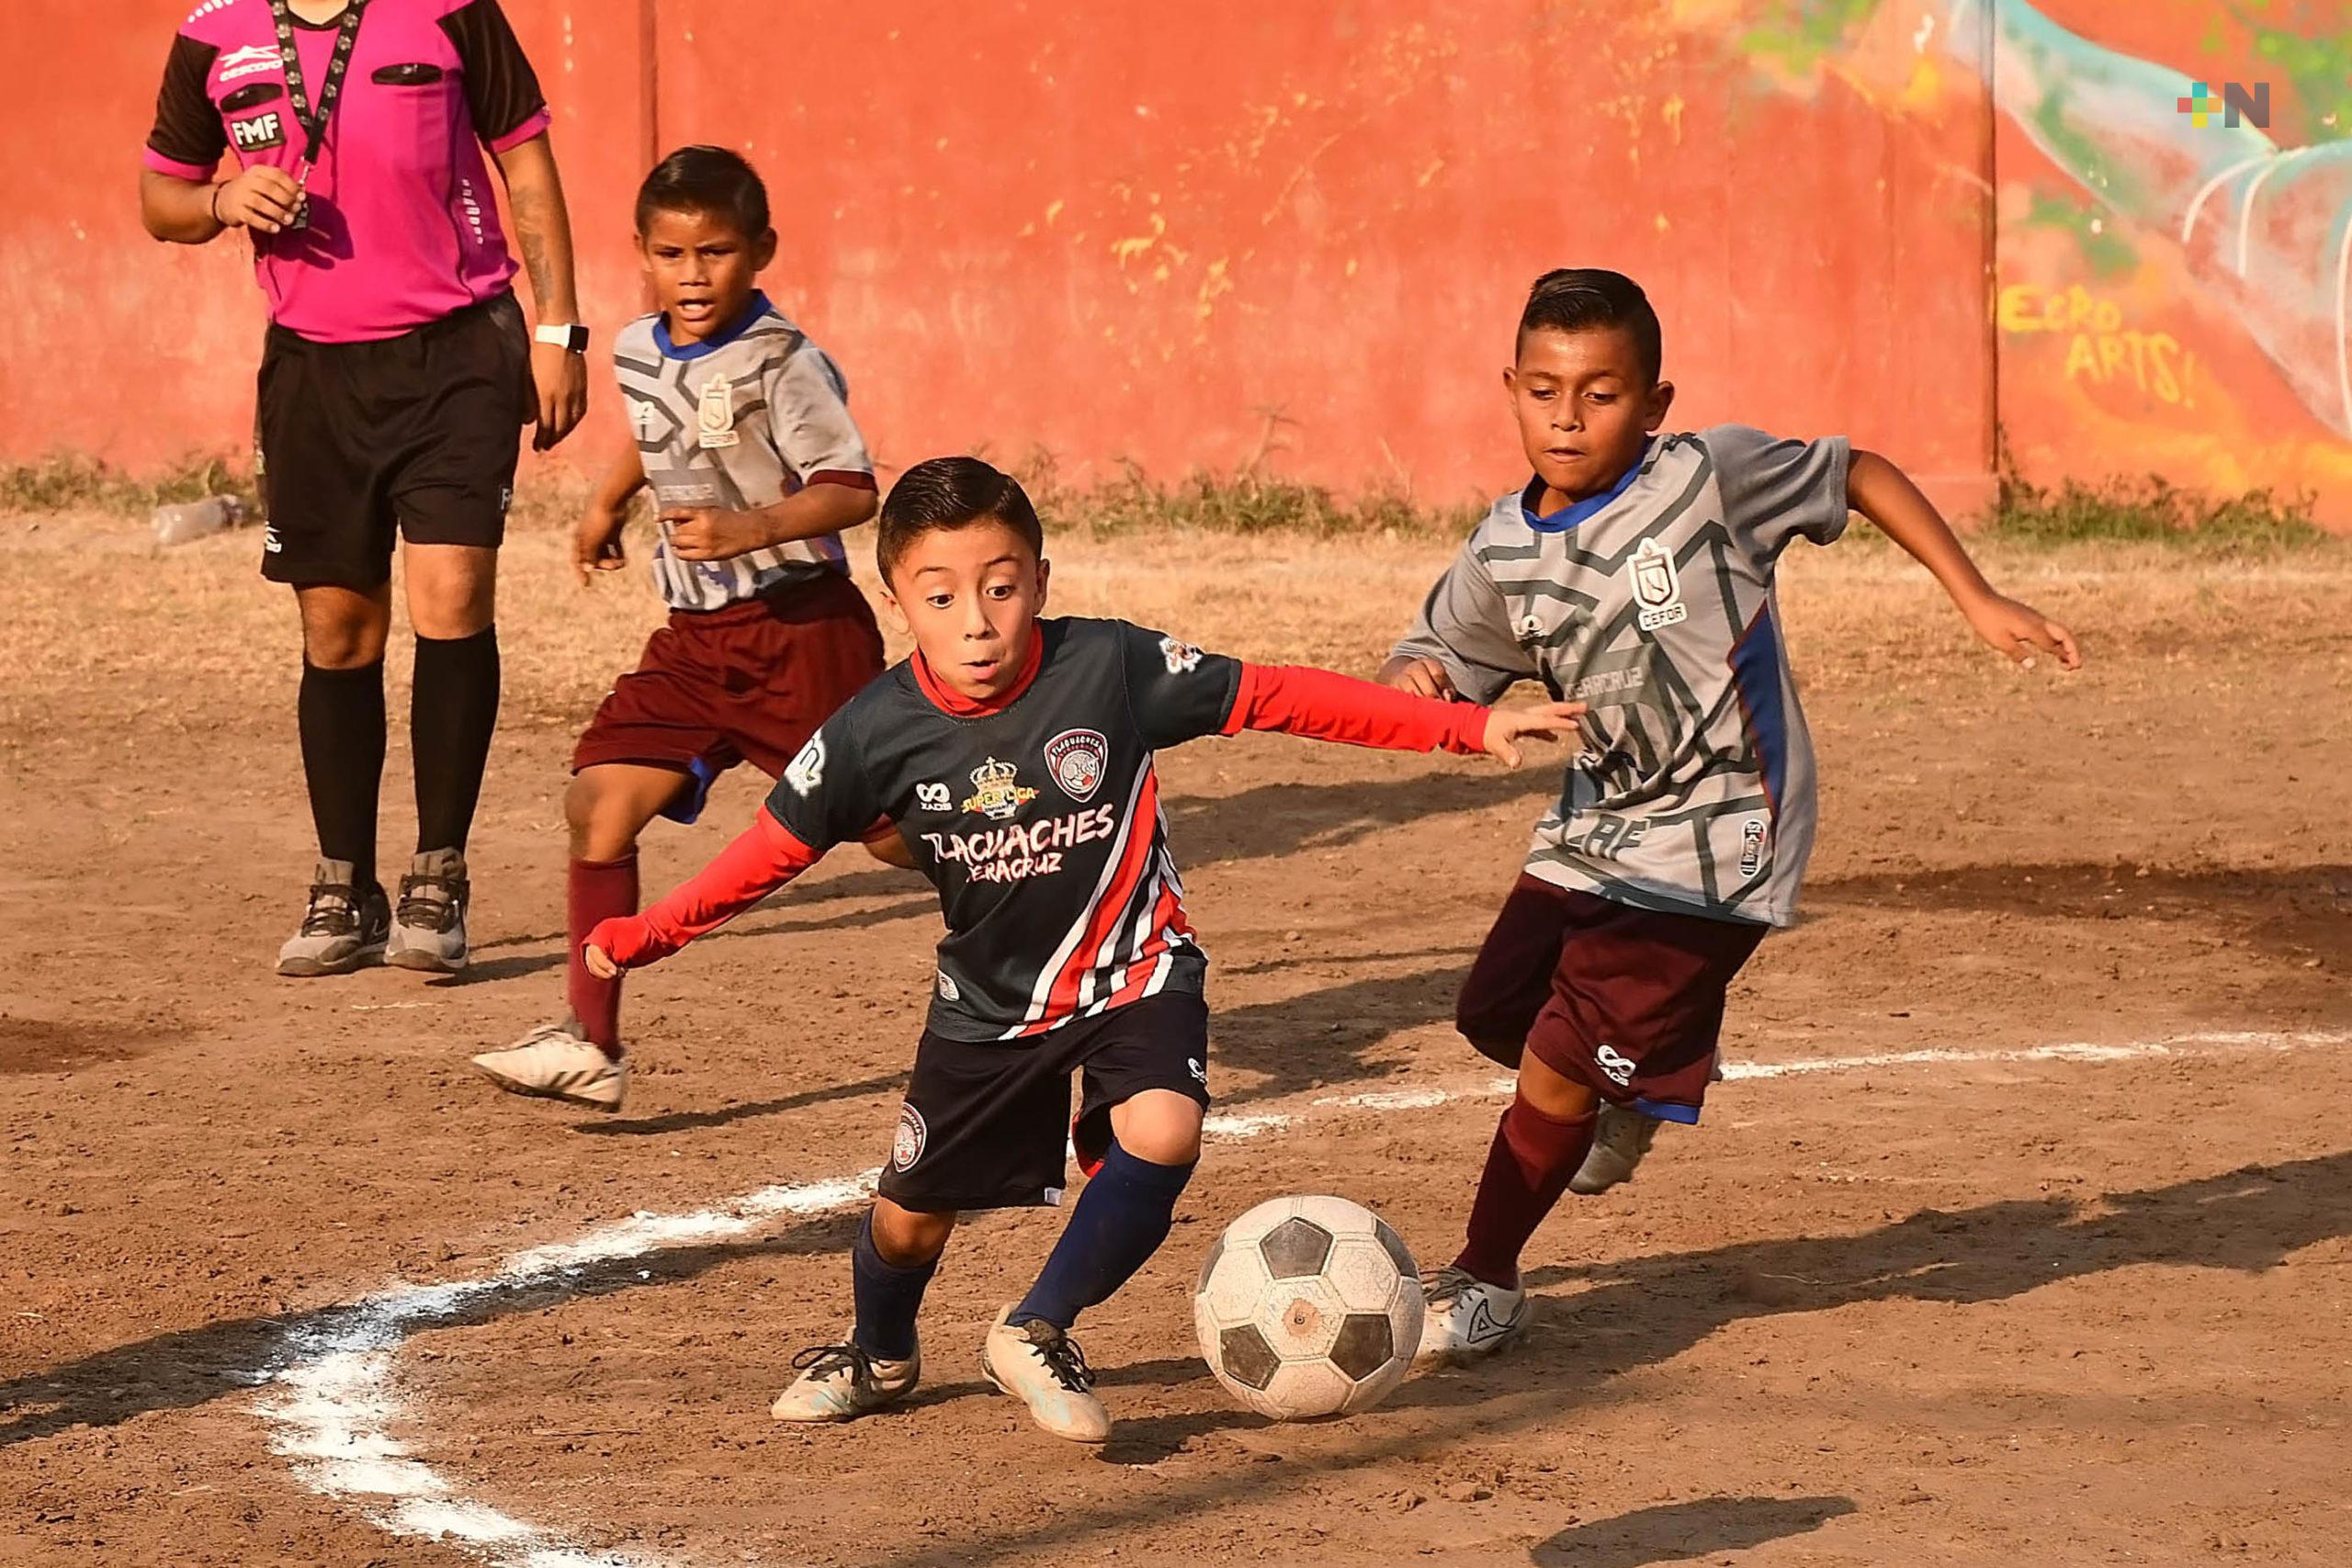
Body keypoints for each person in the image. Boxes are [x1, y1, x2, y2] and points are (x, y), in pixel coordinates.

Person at [580, 457, 1585, 1441]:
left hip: (1137, 969)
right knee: (910, 1219)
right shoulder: (871, 731)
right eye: (940, 596)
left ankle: (1035, 1328)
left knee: (1164, 1129)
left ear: (1041, 582)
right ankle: (879, 1353)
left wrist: (1463, 726)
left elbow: (1277, 695)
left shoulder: (1108, 667)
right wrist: (648, 932)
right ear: (897, 601)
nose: (976, 621)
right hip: (991, 1005)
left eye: (1001, 587)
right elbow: (767, 852)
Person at [1386, 268, 2082, 1359]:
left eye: (1600, 394)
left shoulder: (1708, 477)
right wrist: (1416, 683)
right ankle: (1652, 1061)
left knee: (1557, 1064)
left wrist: (1975, 594)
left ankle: (1485, 1278)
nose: (1567, 418)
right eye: (1544, 391)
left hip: (1723, 828)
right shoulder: (1504, 547)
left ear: (1654, 403)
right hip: (1599, 821)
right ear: (1509, 389)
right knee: (1493, 1011)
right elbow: (1441, 655)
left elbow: (1855, 471)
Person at [139, 0, 590, 976]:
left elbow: (524, 160)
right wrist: (222, 200)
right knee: (338, 631)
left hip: (459, 350)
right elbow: (160, 197)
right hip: (313, 373)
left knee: (452, 597)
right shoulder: (214, 33)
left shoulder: (451, 10)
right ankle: (343, 886)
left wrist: (559, 328)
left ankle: (439, 876)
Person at [467, 146, 905, 1113]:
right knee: (598, 804)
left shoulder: (784, 361)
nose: (693, 275)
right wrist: (606, 500)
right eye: (671, 254)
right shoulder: (635, 347)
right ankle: (591, 1040)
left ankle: (1046, 864)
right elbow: (661, 423)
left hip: (801, 633)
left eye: (716, 252)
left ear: (761, 251)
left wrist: (750, 528)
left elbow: (850, 489)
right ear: (641, 253)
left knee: (895, 837)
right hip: (696, 641)